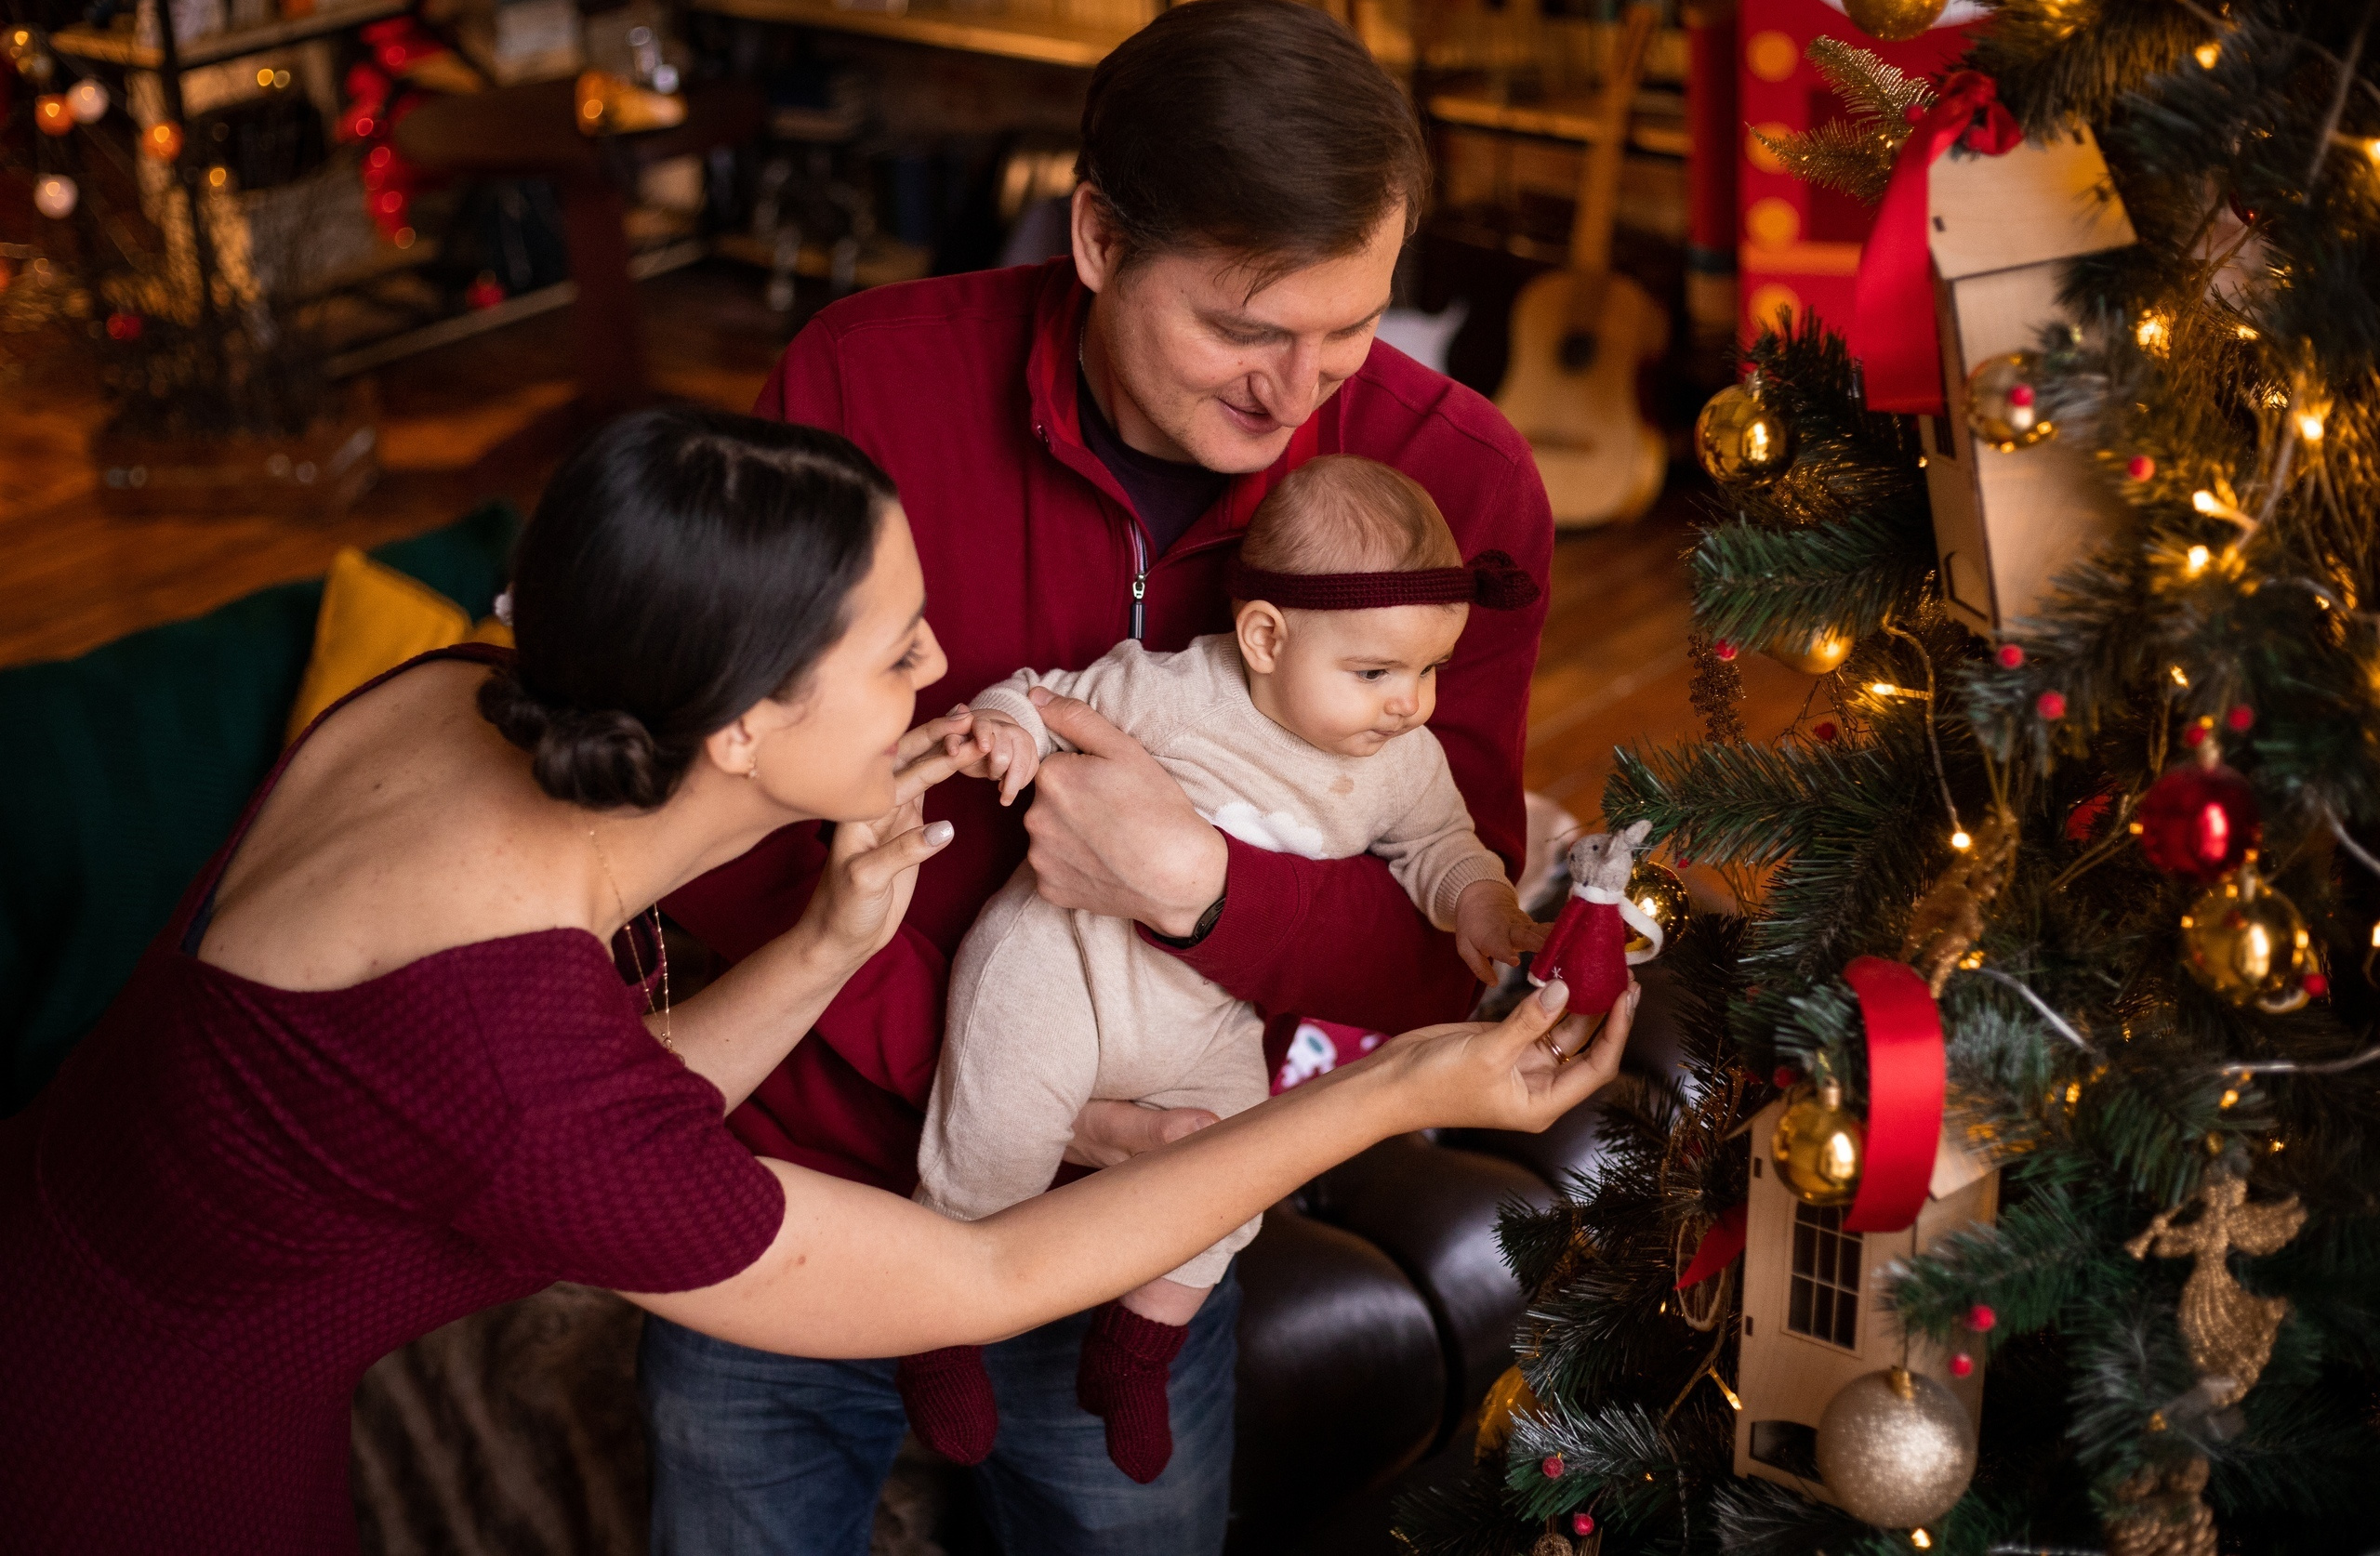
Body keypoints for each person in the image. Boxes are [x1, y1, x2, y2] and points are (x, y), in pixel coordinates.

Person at [0, 407, 1632, 1555]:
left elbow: (557, 1096)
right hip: (126, 1468)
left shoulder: (455, 694)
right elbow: (975, 1281)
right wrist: (1399, 1087)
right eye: (904, 647)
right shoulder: (519, 1072)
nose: (948, 671)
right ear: (742, 732)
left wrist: (826, 944)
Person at [648, 0, 1557, 1556]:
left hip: (1144, 1231)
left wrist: (1204, 895)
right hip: (799, 1194)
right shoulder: (865, 385)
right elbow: (725, 839)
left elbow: (1434, 944)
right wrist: (1011, 1078)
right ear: (1093, 239)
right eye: (1242, 328)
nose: (1299, 395)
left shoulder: (1458, 493)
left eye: (1350, 328)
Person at [899, 456, 1553, 1483]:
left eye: (1429, 672)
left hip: (1208, 1012)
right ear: (1264, 638)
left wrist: (1479, 905)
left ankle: (1137, 1349)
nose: (1411, 706)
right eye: (1377, 674)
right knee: (995, 1127)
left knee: (1234, 1174)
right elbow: (1041, 698)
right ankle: (937, 1325)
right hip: (1059, 962)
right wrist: (1005, 733)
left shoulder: (1400, 764)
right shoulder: (1170, 690)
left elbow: (1443, 849)